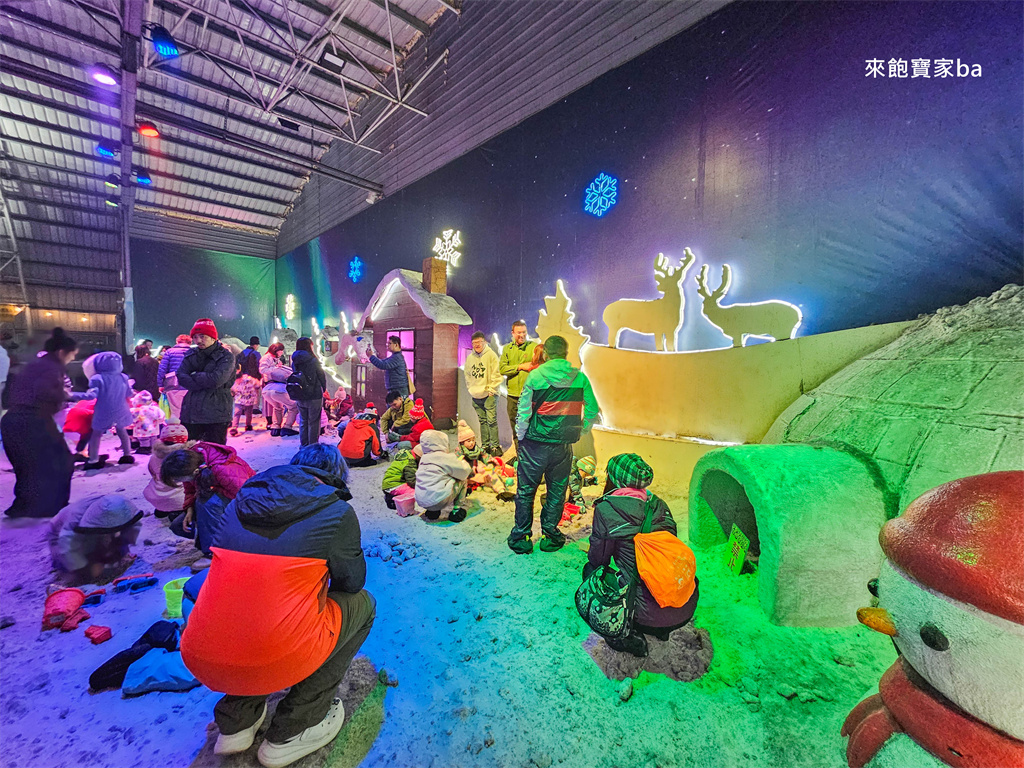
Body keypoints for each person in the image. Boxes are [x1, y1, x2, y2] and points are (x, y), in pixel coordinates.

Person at [180, 443, 374, 768]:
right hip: (278, 652)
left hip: (201, 653)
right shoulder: (335, 511)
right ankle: (297, 726)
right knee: (361, 605)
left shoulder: (240, 501)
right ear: (337, 476)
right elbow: (351, 583)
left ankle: (237, 719)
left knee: (249, 601)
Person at [584, 454, 699, 657]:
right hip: (684, 606)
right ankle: (661, 629)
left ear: (615, 479)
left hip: (646, 615)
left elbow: (598, 559)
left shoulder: (607, 509)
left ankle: (624, 637)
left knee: (590, 571)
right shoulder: (659, 505)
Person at [508, 335, 600, 554]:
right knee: (557, 491)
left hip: (534, 444)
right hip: (562, 446)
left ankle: (521, 537)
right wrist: (581, 429)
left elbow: (524, 412)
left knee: (526, 491)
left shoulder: (535, 376)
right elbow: (592, 410)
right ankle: (550, 535)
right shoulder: (579, 378)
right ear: (566, 354)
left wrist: (521, 436)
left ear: (546, 354)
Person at [2, 328, 81, 517]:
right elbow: (45, 392)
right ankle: (50, 508)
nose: (72, 359)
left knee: (28, 466)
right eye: (72, 355)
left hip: (13, 421)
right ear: (61, 352)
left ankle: (25, 506)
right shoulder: (51, 367)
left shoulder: (36, 365)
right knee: (61, 462)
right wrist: (64, 395)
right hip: (30, 422)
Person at [161, 440, 255, 571]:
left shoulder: (222, 468)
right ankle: (210, 538)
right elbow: (190, 490)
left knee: (207, 502)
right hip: (220, 502)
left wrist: (213, 489)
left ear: (195, 472)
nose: (177, 482)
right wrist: (189, 509)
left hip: (243, 503)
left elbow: (246, 495)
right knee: (179, 525)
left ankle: (214, 552)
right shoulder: (191, 464)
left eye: (177, 479)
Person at [48, 494, 143, 585]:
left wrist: (122, 551)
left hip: (90, 528)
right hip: (58, 532)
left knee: (113, 545)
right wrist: (85, 567)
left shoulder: (112, 505)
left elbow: (125, 526)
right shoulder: (71, 527)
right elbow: (67, 550)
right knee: (80, 570)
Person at [177, 319, 236, 444]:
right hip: (191, 413)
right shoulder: (191, 354)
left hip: (216, 413)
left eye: (202, 336)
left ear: (213, 337)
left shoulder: (226, 356)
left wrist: (194, 375)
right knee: (189, 452)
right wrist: (205, 379)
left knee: (214, 451)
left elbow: (216, 380)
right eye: (195, 337)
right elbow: (181, 376)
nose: (198, 341)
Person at [498, 321, 538, 454]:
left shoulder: (533, 347)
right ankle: (520, 456)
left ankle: (532, 456)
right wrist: (520, 367)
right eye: (519, 332)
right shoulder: (507, 349)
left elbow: (540, 365)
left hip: (530, 396)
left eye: (524, 332)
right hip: (513, 396)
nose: (522, 335)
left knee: (531, 428)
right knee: (516, 428)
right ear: (513, 333)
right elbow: (502, 369)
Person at [415, 430, 471, 522]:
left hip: (422, 501)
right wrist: (462, 461)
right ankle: (456, 511)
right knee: (462, 479)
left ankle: (432, 512)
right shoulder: (444, 457)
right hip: (439, 500)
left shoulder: (424, 458)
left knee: (435, 480)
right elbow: (464, 472)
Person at [464, 331, 503, 455]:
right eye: (474, 343)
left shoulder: (491, 355)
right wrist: (471, 389)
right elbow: (467, 375)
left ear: (484, 342)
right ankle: (485, 445)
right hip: (476, 394)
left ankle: (495, 446)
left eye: (479, 342)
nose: (477, 345)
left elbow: (497, 373)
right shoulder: (470, 358)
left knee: (491, 421)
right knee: (482, 421)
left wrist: (492, 389)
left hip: (489, 394)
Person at [143, 422, 190, 520]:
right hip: (178, 498)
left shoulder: (154, 456)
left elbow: (152, 472)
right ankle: (177, 511)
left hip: (155, 496)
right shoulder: (186, 456)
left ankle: (162, 509)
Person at [290, 337, 327, 446]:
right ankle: (312, 446)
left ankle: (304, 445)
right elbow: (321, 376)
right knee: (314, 421)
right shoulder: (313, 360)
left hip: (300, 393)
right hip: (314, 394)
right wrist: (323, 389)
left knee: (303, 421)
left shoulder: (295, 361)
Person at [260, 343, 298, 437]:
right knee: (293, 407)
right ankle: (287, 427)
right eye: (281, 350)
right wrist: (276, 367)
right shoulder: (267, 358)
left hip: (267, 390)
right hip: (278, 388)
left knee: (277, 407)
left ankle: (275, 428)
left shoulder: (273, 358)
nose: (282, 352)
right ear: (276, 350)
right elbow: (263, 370)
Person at [159, 334, 192, 420]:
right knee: (188, 408)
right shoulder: (194, 352)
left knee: (174, 409)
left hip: (172, 384)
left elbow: (162, 369)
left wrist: (160, 384)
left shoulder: (169, 352)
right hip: (189, 384)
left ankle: (175, 425)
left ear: (177, 342)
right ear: (190, 342)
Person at [130, 390, 166, 455]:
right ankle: (153, 448)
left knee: (144, 439)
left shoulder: (137, 410)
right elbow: (161, 415)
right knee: (153, 439)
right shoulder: (155, 408)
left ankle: (145, 448)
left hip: (142, 429)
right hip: (154, 429)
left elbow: (132, 418)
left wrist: (131, 423)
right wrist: (160, 421)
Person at [229, 365, 261, 437]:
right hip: (239, 399)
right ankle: (234, 427)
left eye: (238, 379)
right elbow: (232, 389)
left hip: (249, 400)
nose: (237, 381)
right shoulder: (234, 382)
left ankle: (248, 425)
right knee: (237, 412)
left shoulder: (249, 380)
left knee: (248, 413)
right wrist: (233, 394)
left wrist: (256, 389)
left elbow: (257, 384)